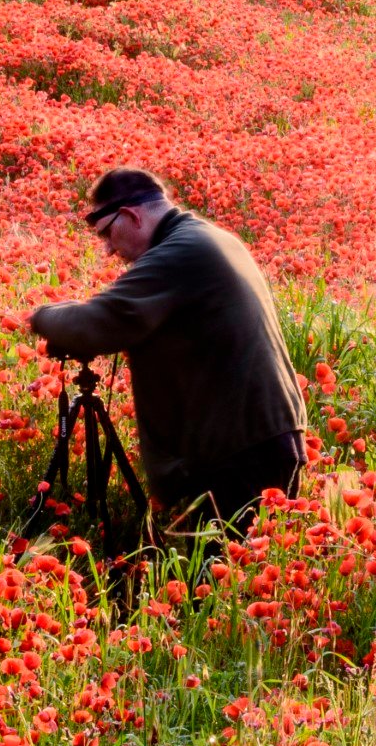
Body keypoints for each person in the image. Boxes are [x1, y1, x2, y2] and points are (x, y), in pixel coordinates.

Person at [29, 168, 307, 537]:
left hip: (241, 452)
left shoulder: (182, 252)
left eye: (107, 234)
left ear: (131, 215)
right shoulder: (207, 237)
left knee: (221, 568)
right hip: (257, 439)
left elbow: (102, 321)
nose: (109, 250)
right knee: (241, 564)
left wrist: (40, 317)